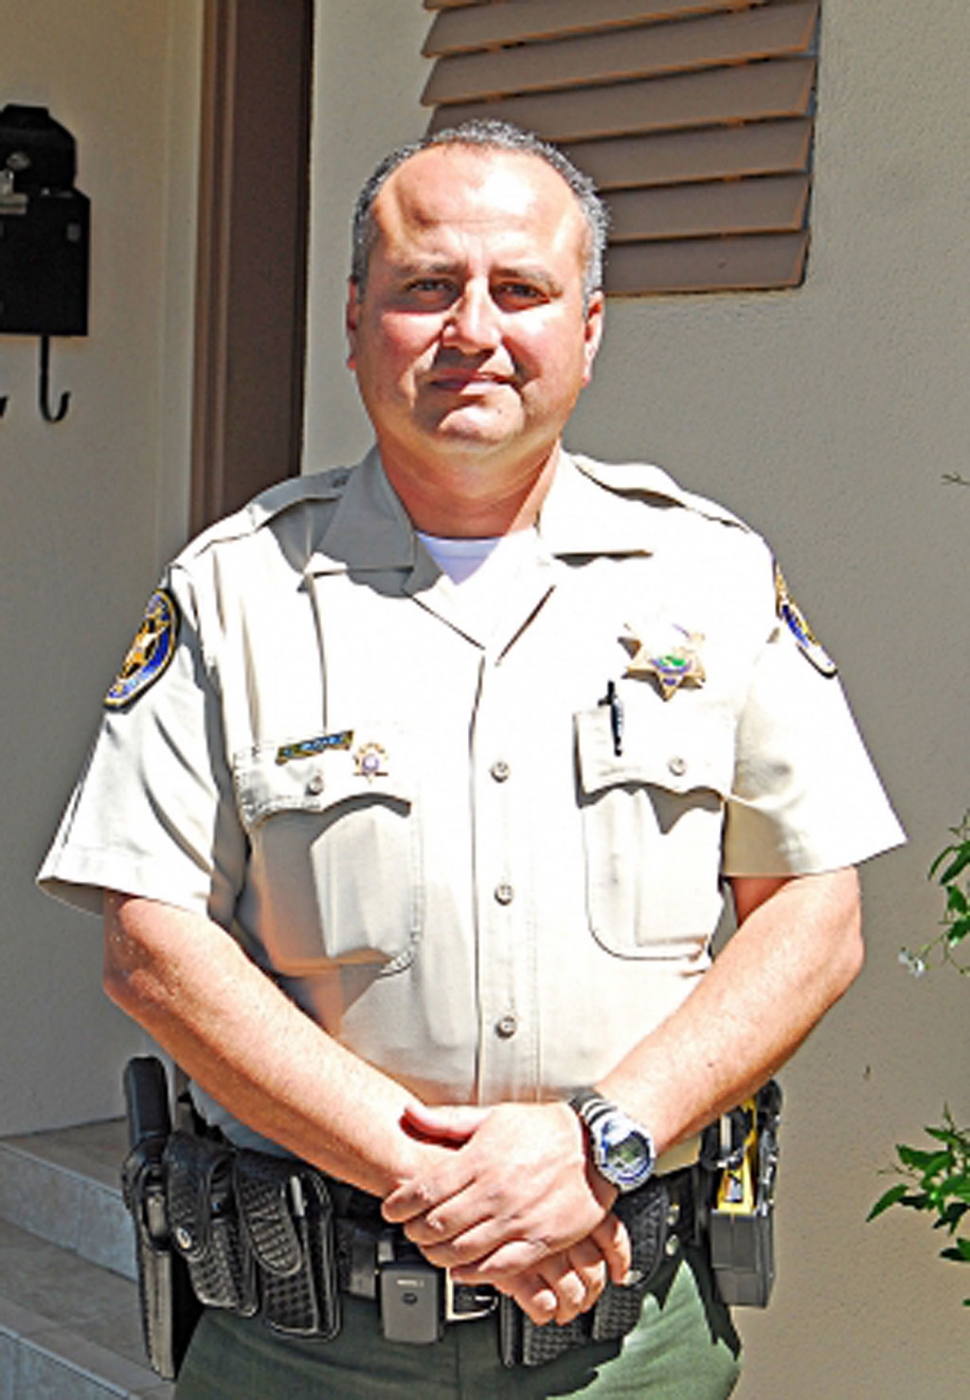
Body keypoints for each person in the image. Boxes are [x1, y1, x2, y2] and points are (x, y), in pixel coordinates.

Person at [39, 120, 904, 1398]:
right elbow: (151, 944)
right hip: (301, 1343)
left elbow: (815, 916)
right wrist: (446, 1181)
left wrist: (592, 1147)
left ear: (590, 325)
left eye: (522, 289)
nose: (472, 328)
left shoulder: (712, 576)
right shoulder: (236, 590)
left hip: (626, 1339)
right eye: (426, 287)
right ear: (354, 323)